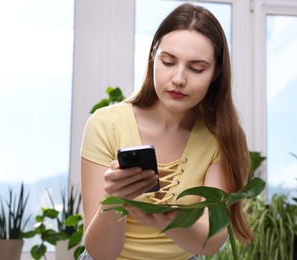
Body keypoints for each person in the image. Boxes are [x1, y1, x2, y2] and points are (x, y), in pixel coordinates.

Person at [80, 3, 253, 260]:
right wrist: (115, 198)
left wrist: (163, 220)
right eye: (168, 62)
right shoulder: (105, 124)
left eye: (196, 68)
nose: (179, 78)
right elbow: (101, 253)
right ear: (153, 56)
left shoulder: (221, 136)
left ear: (216, 72)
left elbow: (210, 242)